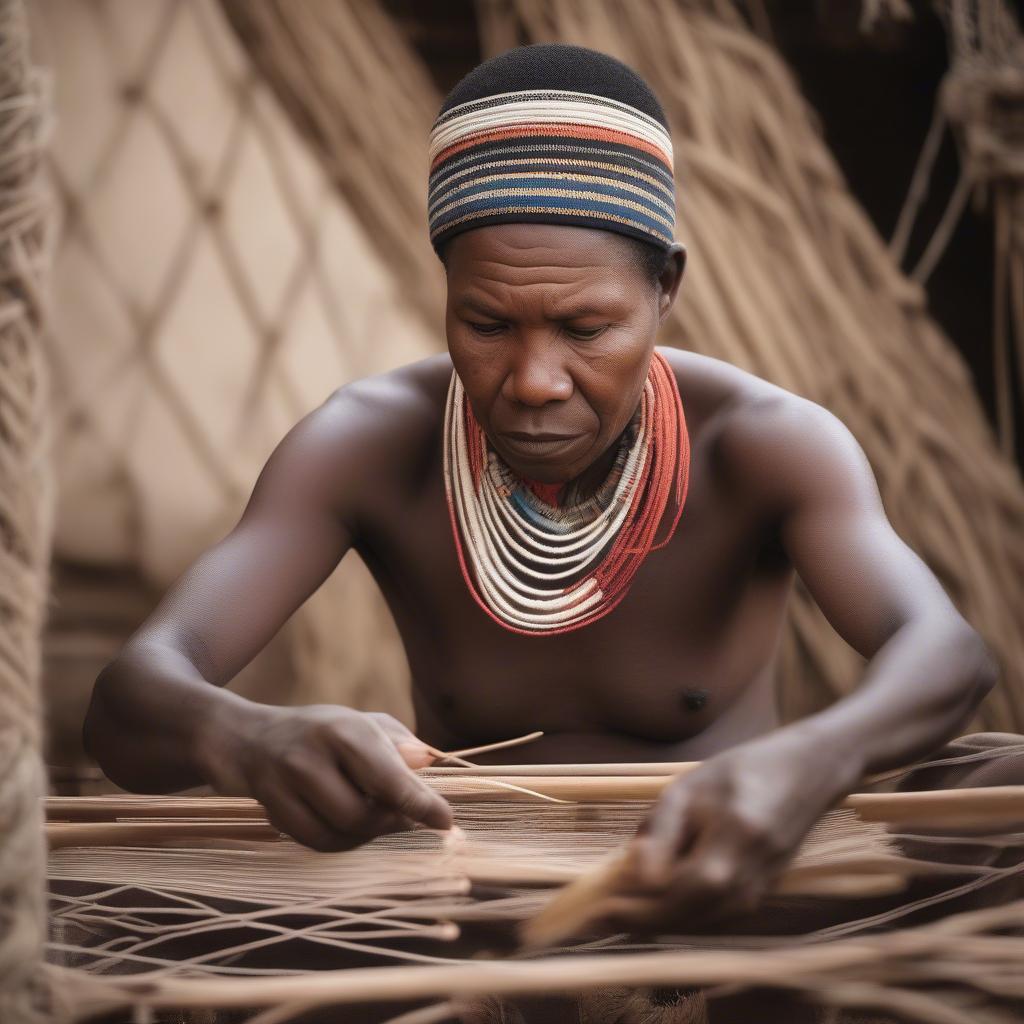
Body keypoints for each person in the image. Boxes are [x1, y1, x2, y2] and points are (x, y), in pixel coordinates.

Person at [84, 43, 1001, 937]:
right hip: (481, 923)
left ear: (664, 290)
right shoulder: (367, 444)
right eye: (486, 323)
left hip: (730, 908)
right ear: (444, 290)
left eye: (585, 327)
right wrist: (244, 737)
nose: (533, 380)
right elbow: (129, 702)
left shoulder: (764, 443)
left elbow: (945, 653)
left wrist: (810, 763)